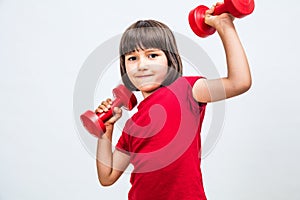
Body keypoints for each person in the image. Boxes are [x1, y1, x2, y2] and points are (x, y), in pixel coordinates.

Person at [95, 4, 252, 200]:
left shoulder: (187, 90)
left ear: (170, 60)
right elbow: (107, 176)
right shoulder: (131, 126)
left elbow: (240, 82)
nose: (142, 65)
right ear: (124, 67)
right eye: (132, 58)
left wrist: (224, 26)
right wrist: (105, 133)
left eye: (152, 55)